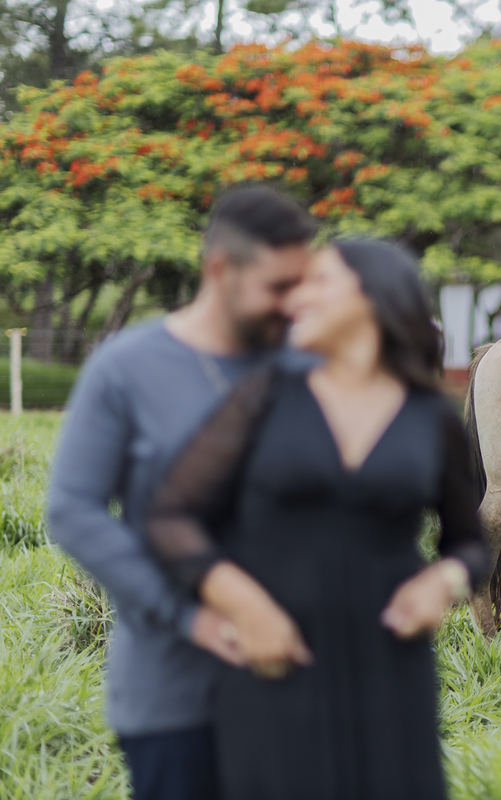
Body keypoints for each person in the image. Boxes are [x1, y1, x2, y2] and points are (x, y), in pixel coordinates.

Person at [143, 239, 490, 800]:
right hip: (273, 654)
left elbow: (471, 545)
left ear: (374, 298)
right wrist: (242, 604)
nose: (297, 296)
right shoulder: (261, 396)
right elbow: (169, 517)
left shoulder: (431, 417)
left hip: (390, 662)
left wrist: (442, 582)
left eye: (319, 281)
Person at [47, 184, 318, 800]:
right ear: (219, 269)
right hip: (175, 691)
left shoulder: (304, 369)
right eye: (278, 286)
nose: (293, 303)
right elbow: (73, 509)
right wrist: (188, 616)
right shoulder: (126, 368)